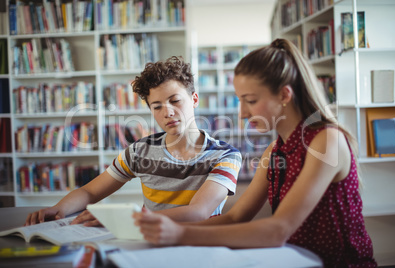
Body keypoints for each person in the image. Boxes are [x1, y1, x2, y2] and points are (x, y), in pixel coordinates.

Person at [133, 40, 377, 267]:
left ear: (284, 95)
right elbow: (235, 217)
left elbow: (278, 230)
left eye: (250, 100)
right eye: (240, 101)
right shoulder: (274, 152)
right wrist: (159, 226)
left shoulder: (326, 141)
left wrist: (182, 234)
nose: (242, 113)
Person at [25, 56, 242, 226]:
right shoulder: (140, 151)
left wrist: (121, 219)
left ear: (194, 99)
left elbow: (198, 213)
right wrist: (59, 209)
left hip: (197, 246)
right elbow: (90, 192)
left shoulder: (225, 156)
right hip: (147, 239)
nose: (167, 112)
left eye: (175, 101)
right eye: (157, 106)